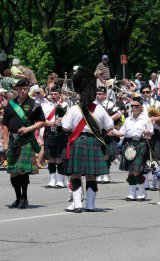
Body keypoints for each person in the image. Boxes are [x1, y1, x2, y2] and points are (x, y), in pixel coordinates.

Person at [62, 68, 114, 213]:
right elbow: (109, 126)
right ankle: (90, 204)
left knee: (75, 174)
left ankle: (77, 204)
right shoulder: (100, 109)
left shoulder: (73, 109)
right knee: (92, 175)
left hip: (78, 142)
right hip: (94, 142)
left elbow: (65, 127)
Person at [2, 78, 46, 209]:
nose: (22, 91)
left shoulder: (34, 104)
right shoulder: (10, 104)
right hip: (12, 141)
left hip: (26, 140)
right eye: (20, 88)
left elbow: (42, 122)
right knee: (13, 171)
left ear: (28, 89)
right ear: (16, 89)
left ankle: (24, 198)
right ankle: (17, 198)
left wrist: (29, 128)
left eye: (25, 89)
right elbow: (5, 124)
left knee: (22, 170)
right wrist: (4, 142)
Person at [110, 96, 153, 201]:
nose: (134, 108)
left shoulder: (146, 119)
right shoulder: (128, 119)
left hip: (140, 144)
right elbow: (122, 133)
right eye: (132, 106)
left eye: (136, 106)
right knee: (130, 171)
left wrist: (148, 132)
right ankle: (132, 193)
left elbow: (151, 132)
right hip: (128, 145)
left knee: (137, 170)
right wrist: (113, 132)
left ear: (141, 107)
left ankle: (142, 193)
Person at [43, 86, 68, 189]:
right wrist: (50, 123)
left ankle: (60, 180)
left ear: (60, 95)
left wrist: (62, 119)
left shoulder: (65, 105)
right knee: (51, 158)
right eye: (52, 94)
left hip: (61, 132)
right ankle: (52, 180)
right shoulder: (45, 106)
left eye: (55, 94)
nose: (53, 96)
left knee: (59, 158)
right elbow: (42, 120)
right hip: (49, 132)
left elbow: (70, 118)